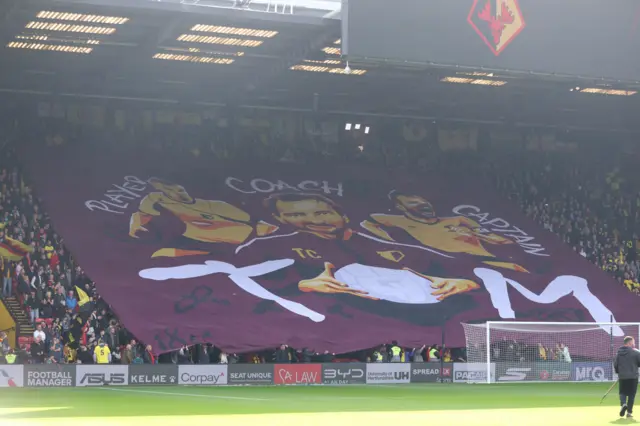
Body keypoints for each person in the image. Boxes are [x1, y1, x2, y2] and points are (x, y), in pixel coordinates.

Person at [614, 336, 640, 418]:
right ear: (629, 343)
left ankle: (623, 404)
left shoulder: (618, 353)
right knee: (632, 394)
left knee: (622, 393)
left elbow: (615, 365)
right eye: (633, 342)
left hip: (622, 376)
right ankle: (629, 412)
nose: (634, 344)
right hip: (633, 377)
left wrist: (619, 372)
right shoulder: (635, 353)